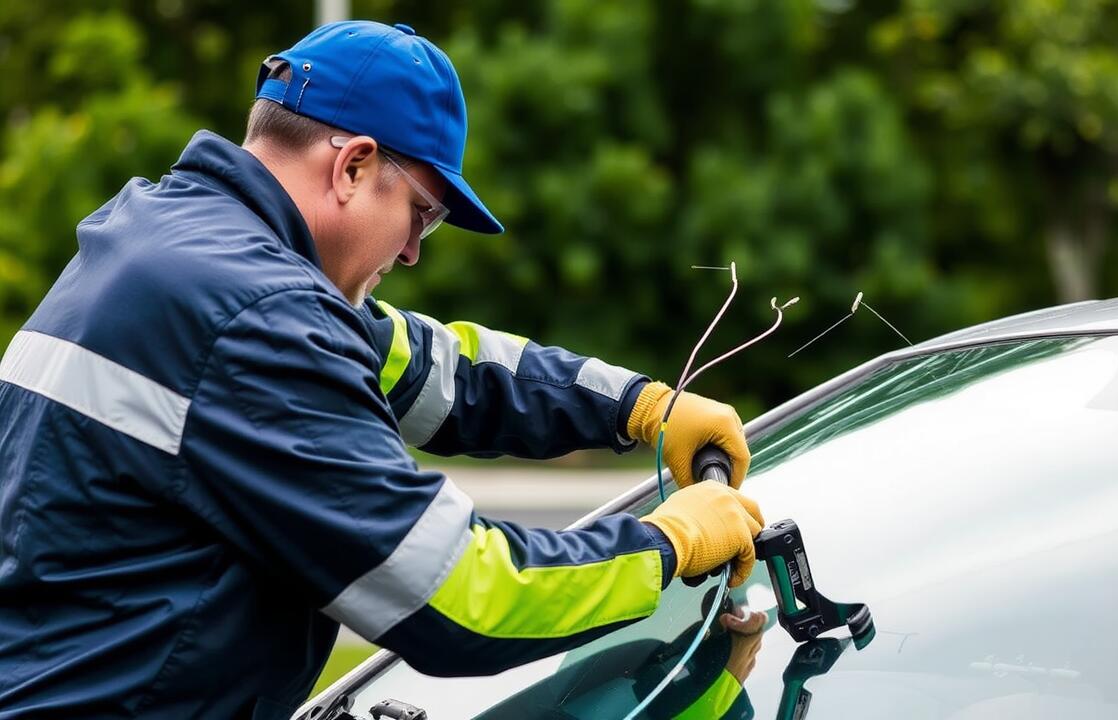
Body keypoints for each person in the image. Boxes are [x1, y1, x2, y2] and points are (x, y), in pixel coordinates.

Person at [0, 20, 764, 720]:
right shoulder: (260, 318)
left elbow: (442, 368)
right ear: (356, 166)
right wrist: (666, 546)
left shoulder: (166, 240)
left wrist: (637, 406)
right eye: (422, 216)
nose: (411, 252)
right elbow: (462, 598)